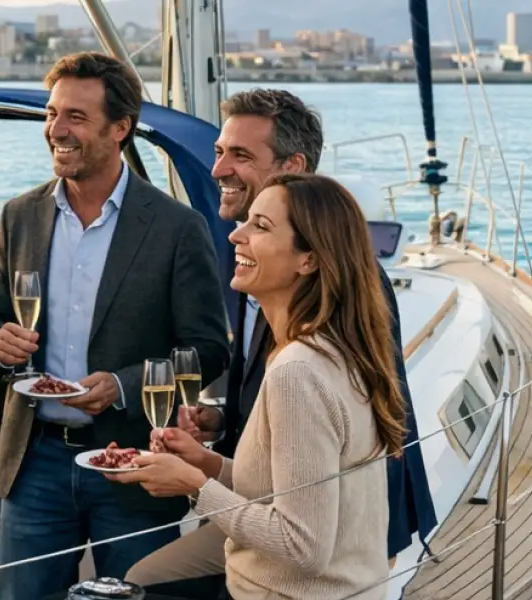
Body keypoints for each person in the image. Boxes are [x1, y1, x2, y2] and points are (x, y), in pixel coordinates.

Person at [0, 51, 230, 600]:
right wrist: (1, 342)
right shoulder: (19, 215)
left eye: (75, 118)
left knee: (135, 596)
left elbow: (207, 348)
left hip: (133, 461)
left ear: (120, 129)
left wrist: (122, 385)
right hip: (33, 460)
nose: (56, 130)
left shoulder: (176, 227)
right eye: (51, 113)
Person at [114, 173, 404, 599]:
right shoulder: (339, 350)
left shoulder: (297, 372)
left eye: (261, 227)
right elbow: (297, 489)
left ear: (308, 260)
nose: (236, 235)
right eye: (246, 221)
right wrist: (206, 465)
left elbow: (302, 545)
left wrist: (194, 487)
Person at [184, 88, 435, 561]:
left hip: (341, 530)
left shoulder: (346, 282)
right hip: (265, 497)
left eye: (240, 155)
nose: (218, 170)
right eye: (219, 152)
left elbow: (356, 408)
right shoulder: (254, 255)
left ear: (293, 168)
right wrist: (225, 417)